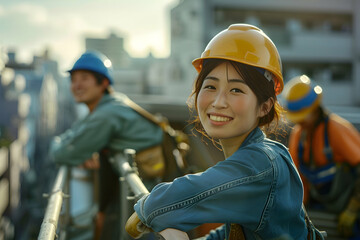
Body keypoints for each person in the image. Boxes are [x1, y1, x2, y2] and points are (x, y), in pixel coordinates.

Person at [125, 23, 311, 240]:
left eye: (236, 90)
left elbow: (191, 193)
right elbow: (233, 231)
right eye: (211, 86)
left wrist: (147, 209)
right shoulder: (256, 155)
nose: (218, 102)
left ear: (265, 106)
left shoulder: (262, 163)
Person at [50, 50, 163, 240]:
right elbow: (76, 135)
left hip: (147, 188)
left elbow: (62, 153)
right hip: (146, 182)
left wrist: (57, 144)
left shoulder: (105, 115)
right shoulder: (108, 106)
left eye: (84, 78)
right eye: (73, 79)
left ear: (103, 83)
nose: (76, 85)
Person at [282, 74, 360, 238]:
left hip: (350, 206)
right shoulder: (299, 135)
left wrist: (353, 209)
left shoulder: (337, 129)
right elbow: (299, 180)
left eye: (303, 118)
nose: (300, 122)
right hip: (321, 206)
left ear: (315, 109)